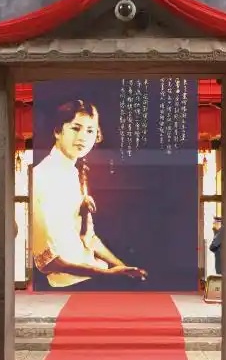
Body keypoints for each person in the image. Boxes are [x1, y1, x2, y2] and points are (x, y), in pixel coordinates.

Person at [31, 99, 147, 288]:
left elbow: (89, 238)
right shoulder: (41, 176)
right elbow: (47, 262)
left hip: (92, 276)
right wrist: (107, 274)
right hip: (68, 284)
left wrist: (123, 268)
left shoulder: (74, 173)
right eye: (76, 128)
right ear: (58, 131)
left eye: (90, 131)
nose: (83, 137)